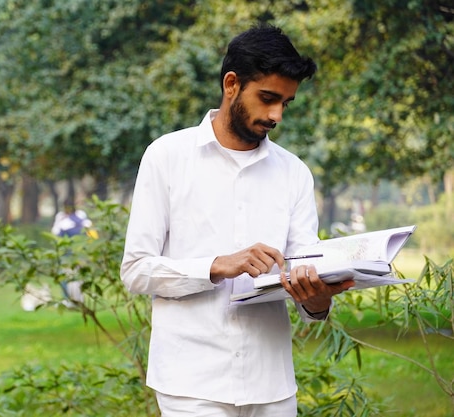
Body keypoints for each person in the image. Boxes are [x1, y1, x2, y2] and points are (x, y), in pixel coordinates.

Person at [120, 23, 355, 416]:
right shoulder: (166, 157)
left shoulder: (294, 173)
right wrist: (216, 266)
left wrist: (317, 300)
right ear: (232, 84)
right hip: (190, 384)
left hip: (272, 385)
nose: (276, 114)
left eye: (286, 103)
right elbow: (136, 270)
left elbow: (303, 271)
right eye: (267, 98)